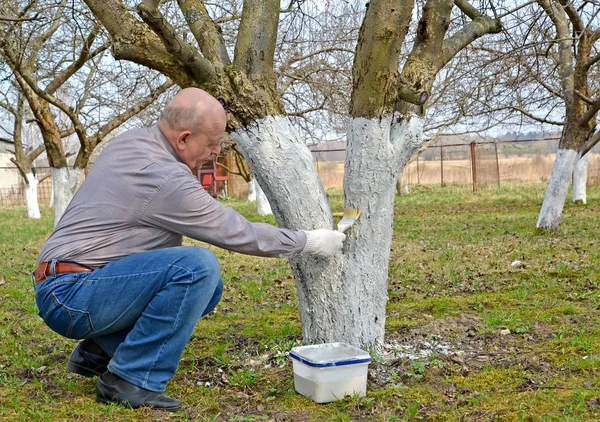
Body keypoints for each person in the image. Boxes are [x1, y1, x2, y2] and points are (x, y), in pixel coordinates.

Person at [33, 88, 345, 411]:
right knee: (198, 268)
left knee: (210, 289)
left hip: (66, 284)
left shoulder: (134, 142)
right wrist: (309, 241)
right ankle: (130, 379)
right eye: (211, 144)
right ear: (183, 139)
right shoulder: (166, 177)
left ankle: (99, 350)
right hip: (72, 295)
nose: (216, 152)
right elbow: (238, 232)